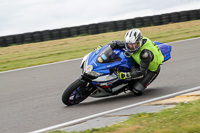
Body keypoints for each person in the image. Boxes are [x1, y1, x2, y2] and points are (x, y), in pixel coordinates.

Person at [108, 28, 164, 95]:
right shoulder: (131, 43)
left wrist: (125, 75)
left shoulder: (145, 54)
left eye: (135, 45)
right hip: (138, 62)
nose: (131, 47)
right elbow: (115, 43)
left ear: (139, 42)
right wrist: (104, 49)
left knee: (136, 90)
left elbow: (142, 72)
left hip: (149, 69)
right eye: (129, 45)